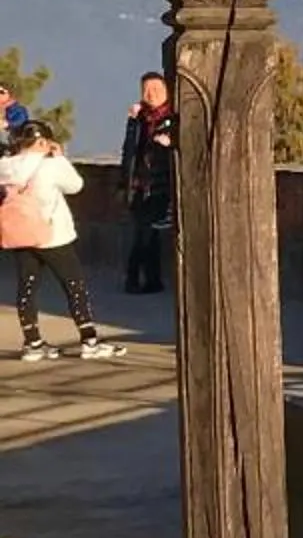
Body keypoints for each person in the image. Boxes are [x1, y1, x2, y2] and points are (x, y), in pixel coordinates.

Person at [0, 124, 111, 361]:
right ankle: (89, 340)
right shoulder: (50, 166)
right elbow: (76, 186)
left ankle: (33, 343)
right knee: (74, 285)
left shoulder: (6, 166)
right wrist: (60, 158)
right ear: (42, 142)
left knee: (27, 287)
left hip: (20, 234)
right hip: (52, 235)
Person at [119, 73, 175, 295]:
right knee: (146, 233)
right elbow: (129, 150)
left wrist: (171, 143)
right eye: (146, 90)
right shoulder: (140, 118)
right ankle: (151, 280)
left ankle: (135, 278)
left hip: (162, 184)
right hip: (141, 185)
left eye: (156, 89)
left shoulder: (173, 116)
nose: (151, 94)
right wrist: (132, 122)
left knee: (147, 233)